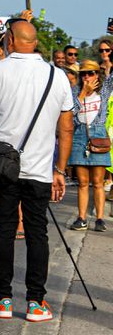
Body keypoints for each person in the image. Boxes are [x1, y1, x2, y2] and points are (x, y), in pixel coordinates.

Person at [0, 19, 73, 322]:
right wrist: (60, 169)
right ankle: (36, 302)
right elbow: (66, 128)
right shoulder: (57, 76)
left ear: (10, 39)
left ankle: (2, 298)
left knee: (4, 229)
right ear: (35, 42)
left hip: (5, 168)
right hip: (41, 169)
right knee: (37, 233)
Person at [67, 60, 109, 232]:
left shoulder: (105, 90)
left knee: (98, 182)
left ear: (97, 74)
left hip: (98, 135)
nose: (86, 77)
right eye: (83, 73)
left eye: (90, 73)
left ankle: (99, 219)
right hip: (79, 137)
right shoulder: (75, 92)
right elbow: (69, 112)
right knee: (83, 182)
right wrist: (83, 93)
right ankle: (81, 218)